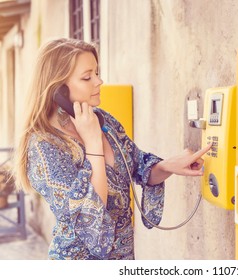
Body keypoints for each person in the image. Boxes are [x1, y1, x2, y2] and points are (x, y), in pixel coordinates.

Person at [13, 38, 211, 260]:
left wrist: (169, 166)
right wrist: (93, 142)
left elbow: (137, 164)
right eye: (87, 77)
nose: (99, 81)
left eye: (97, 73)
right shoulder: (43, 147)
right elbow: (91, 219)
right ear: (58, 90)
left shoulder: (102, 119)